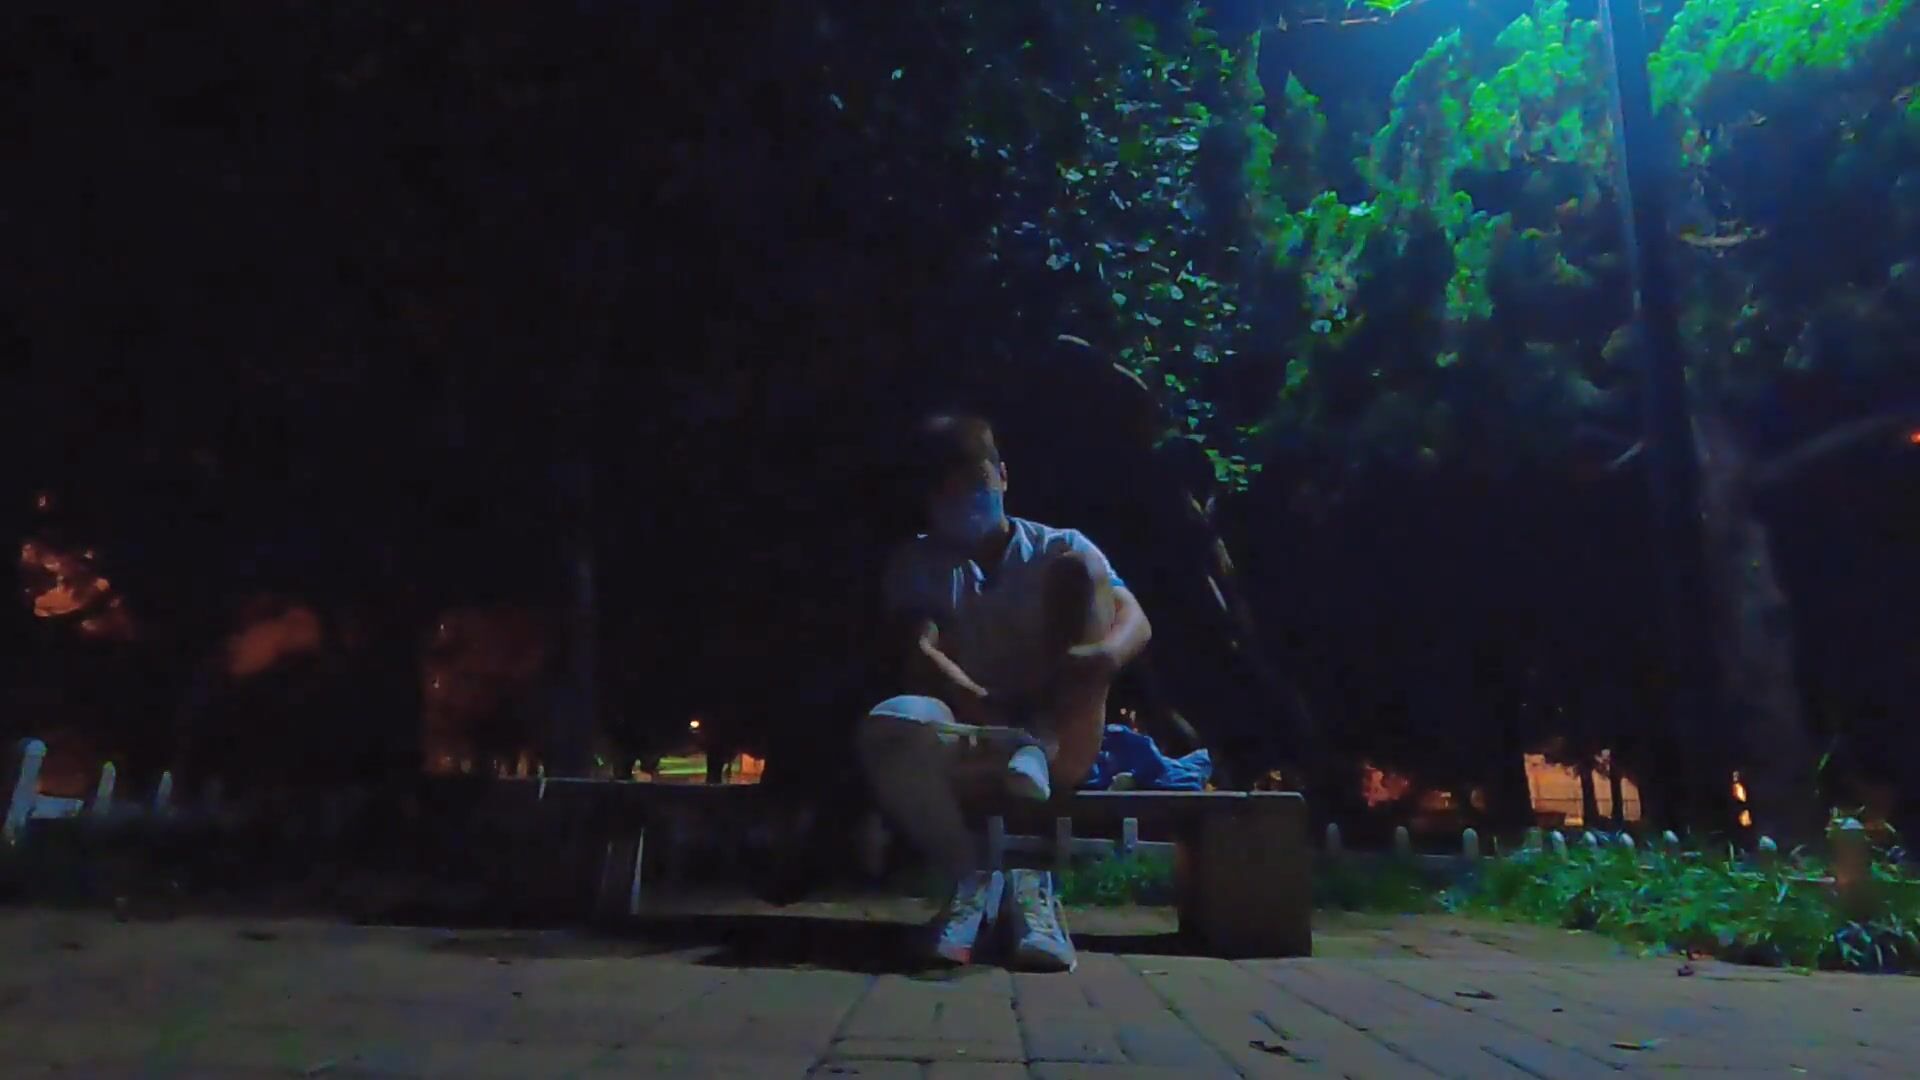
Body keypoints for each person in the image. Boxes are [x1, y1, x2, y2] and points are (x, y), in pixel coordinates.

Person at [858, 414, 1152, 970]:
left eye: (975, 482)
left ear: (1002, 476)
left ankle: (1036, 766)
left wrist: (1102, 659)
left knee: (1078, 573)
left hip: (1060, 736)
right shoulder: (920, 562)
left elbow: (1133, 617)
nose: (964, 501)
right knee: (891, 724)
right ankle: (972, 880)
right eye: (947, 490)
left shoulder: (1060, 546)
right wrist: (984, 702)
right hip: (974, 731)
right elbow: (919, 648)